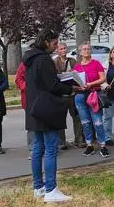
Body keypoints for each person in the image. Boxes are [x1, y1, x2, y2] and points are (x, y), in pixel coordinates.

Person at [24, 29, 78, 203]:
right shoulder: (44, 59)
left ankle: (38, 187)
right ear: (46, 41)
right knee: (51, 149)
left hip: (34, 107)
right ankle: (51, 189)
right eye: (55, 44)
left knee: (38, 148)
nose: (56, 47)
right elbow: (52, 85)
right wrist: (70, 88)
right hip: (46, 108)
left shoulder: (29, 59)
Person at [73, 43, 109, 157]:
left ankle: (103, 145)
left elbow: (103, 78)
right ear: (80, 52)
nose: (86, 51)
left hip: (93, 94)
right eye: (84, 49)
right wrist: (79, 86)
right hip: (80, 96)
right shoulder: (77, 67)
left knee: (97, 122)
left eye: (88, 49)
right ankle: (89, 145)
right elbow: (74, 82)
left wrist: (90, 84)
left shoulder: (96, 63)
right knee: (85, 122)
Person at [53, 43, 85, 149]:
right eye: (61, 49)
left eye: (64, 48)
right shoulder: (54, 62)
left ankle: (79, 140)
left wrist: (74, 73)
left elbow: (79, 73)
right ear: (57, 51)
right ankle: (61, 142)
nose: (63, 50)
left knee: (77, 117)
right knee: (60, 119)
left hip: (73, 94)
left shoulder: (72, 60)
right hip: (61, 95)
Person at [15, 61, 34, 156]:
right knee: (31, 125)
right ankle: (32, 148)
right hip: (29, 99)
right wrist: (27, 87)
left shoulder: (45, 61)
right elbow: (18, 79)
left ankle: (46, 147)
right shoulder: (24, 64)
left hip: (44, 98)